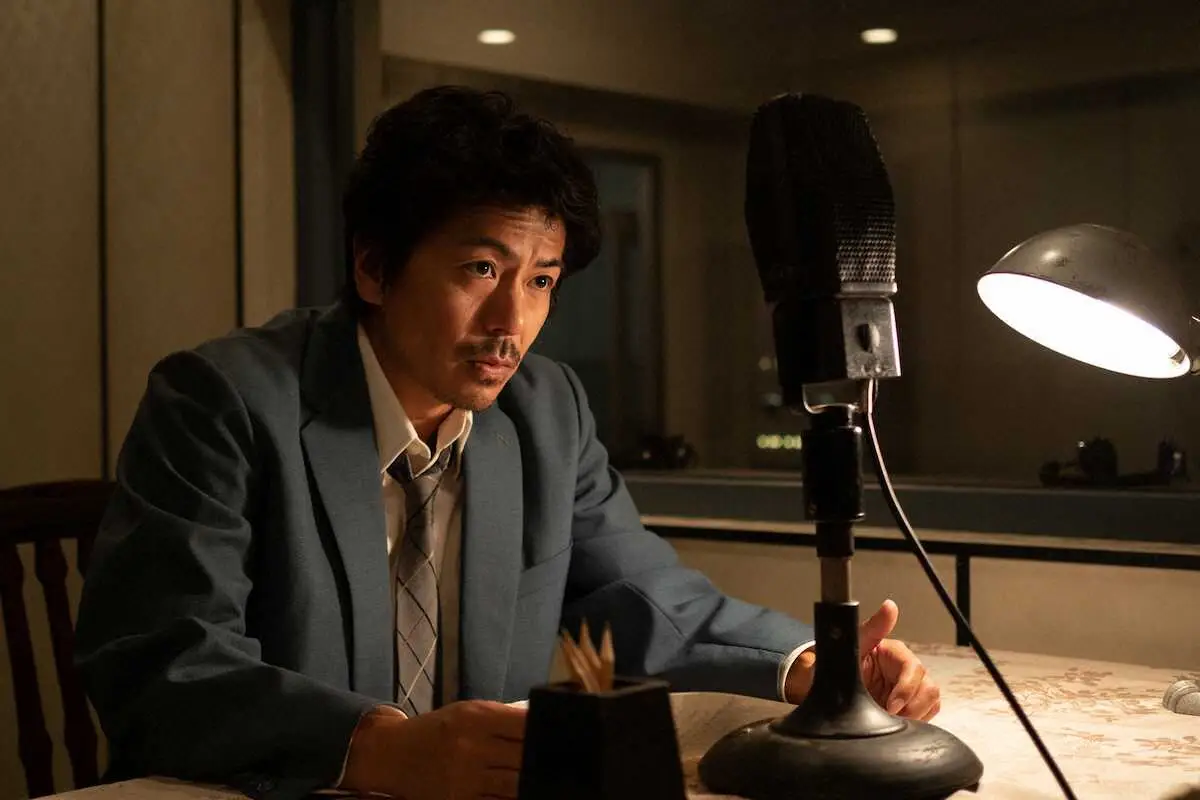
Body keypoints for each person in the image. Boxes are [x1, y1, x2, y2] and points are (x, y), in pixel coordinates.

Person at [74, 85, 940, 800]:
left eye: (542, 281)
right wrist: (380, 749)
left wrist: (815, 667)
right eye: (480, 270)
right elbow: (162, 659)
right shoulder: (223, 399)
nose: (511, 322)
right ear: (373, 265)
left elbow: (637, 594)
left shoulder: (543, 408)